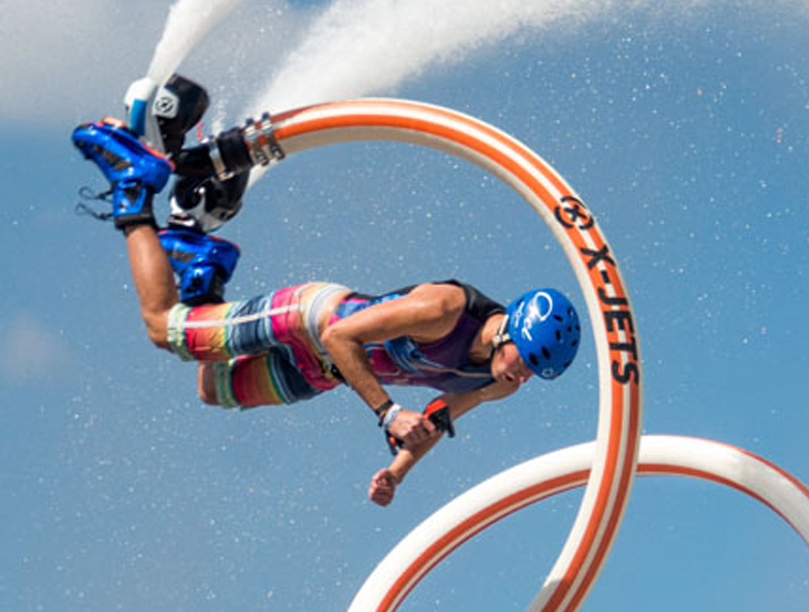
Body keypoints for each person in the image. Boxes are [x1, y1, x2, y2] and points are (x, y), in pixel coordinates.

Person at [75, 115, 582, 506]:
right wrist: (387, 414)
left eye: (536, 373)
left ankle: (199, 260)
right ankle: (134, 183)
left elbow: (432, 421)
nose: (523, 377)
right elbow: (341, 337)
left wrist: (397, 474)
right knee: (164, 329)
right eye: (526, 359)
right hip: (311, 318)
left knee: (214, 389)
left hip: (325, 373)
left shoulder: (497, 380)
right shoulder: (443, 309)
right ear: (510, 328)